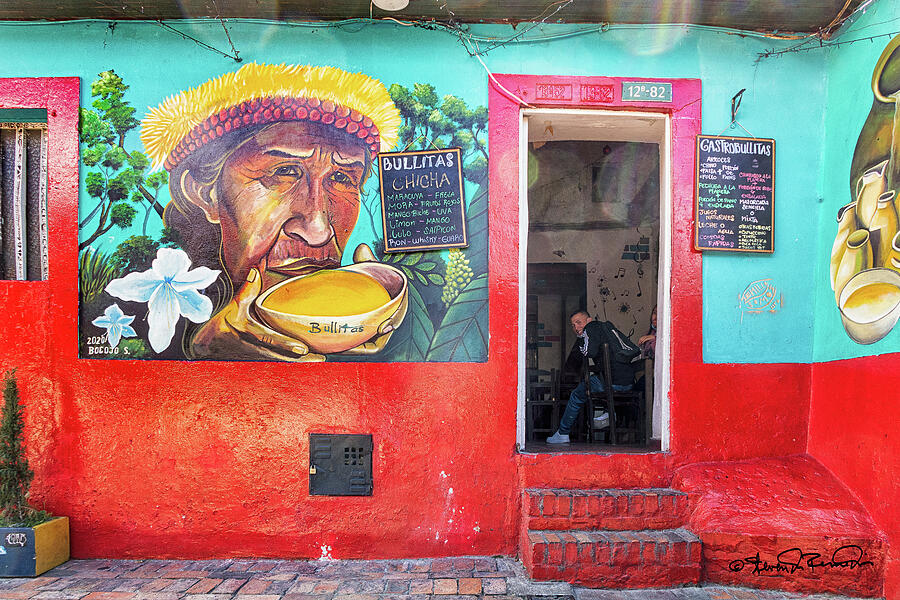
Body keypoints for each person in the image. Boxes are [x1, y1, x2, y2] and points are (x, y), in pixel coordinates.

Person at [139, 63, 403, 360]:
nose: (318, 231)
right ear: (206, 194)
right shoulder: (139, 310)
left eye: (342, 178)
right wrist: (205, 353)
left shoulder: (374, 312)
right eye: (284, 172)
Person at [546, 310, 636, 444]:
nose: (576, 328)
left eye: (579, 322)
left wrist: (581, 339)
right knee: (597, 381)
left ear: (589, 320)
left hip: (611, 382)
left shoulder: (591, 327)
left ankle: (563, 433)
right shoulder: (607, 328)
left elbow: (589, 352)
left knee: (577, 394)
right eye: (573, 325)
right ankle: (609, 413)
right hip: (628, 382)